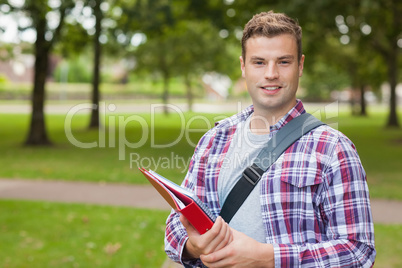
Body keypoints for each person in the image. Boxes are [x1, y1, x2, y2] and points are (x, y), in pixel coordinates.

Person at [164, 11, 376, 267]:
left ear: (301, 65)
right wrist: (192, 245)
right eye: (259, 62)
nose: (271, 73)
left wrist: (268, 258)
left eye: (284, 62)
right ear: (243, 66)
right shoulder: (215, 139)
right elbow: (177, 226)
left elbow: (358, 252)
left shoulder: (333, 148)